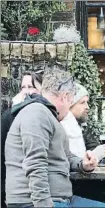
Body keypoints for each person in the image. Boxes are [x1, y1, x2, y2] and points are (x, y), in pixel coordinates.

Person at [5, 66, 105, 208]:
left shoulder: (49, 116)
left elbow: (66, 156)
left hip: (58, 199)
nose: (69, 107)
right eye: (70, 101)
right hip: (34, 202)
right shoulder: (36, 113)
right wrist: (44, 204)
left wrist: (83, 164)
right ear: (64, 96)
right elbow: (34, 163)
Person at [1, 70, 43, 208]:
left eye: (30, 87)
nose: (25, 92)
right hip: (17, 188)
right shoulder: (9, 116)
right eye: (23, 87)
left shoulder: (47, 115)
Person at [60, 83, 105, 161]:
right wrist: (95, 155)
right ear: (70, 103)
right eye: (82, 102)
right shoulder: (62, 127)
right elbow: (70, 162)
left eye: (87, 102)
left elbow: (92, 146)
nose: (87, 107)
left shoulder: (81, 126)